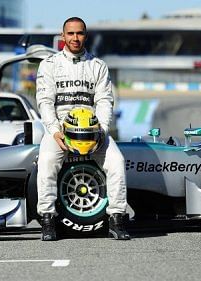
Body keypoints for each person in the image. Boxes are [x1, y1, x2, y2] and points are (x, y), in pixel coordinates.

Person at [35, 17, 130, 241]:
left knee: (117, 162)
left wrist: (102, 131)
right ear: (63, 35)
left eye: (79, 33)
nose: (75, 38)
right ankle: (48, 219)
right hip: (61, 131)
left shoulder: (98, 66)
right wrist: (54, 131)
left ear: (85, 36)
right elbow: (45, 101)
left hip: (93, 133)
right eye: (70, 34)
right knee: (46, 162)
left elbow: (105, 101)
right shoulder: (49, 65)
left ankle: (116, 219)